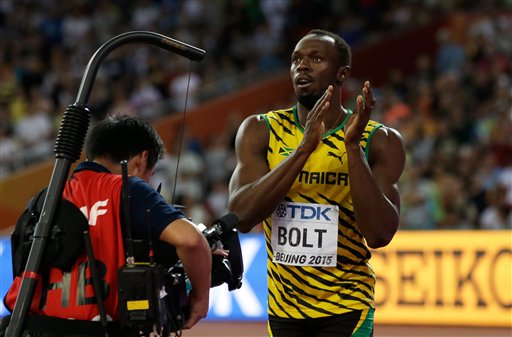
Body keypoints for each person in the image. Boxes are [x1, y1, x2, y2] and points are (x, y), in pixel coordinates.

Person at [228, 29, 406, 337]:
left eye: (316, 58)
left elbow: (379, 234)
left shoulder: (377, 139)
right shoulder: (262, 130)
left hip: (346, 303)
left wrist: (352, 149)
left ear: (342, 74)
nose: (302, 66)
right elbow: (241, 217)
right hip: (283, 307)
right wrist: (303, 151)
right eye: (296, 59)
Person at [3, 114, 212, 336]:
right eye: (151, 172)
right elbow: (191, 240)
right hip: (93, 329)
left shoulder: (43, 198)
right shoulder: (128, 188)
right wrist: (200, 299)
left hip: (26, 327)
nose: (148, 180)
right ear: (142, 159)